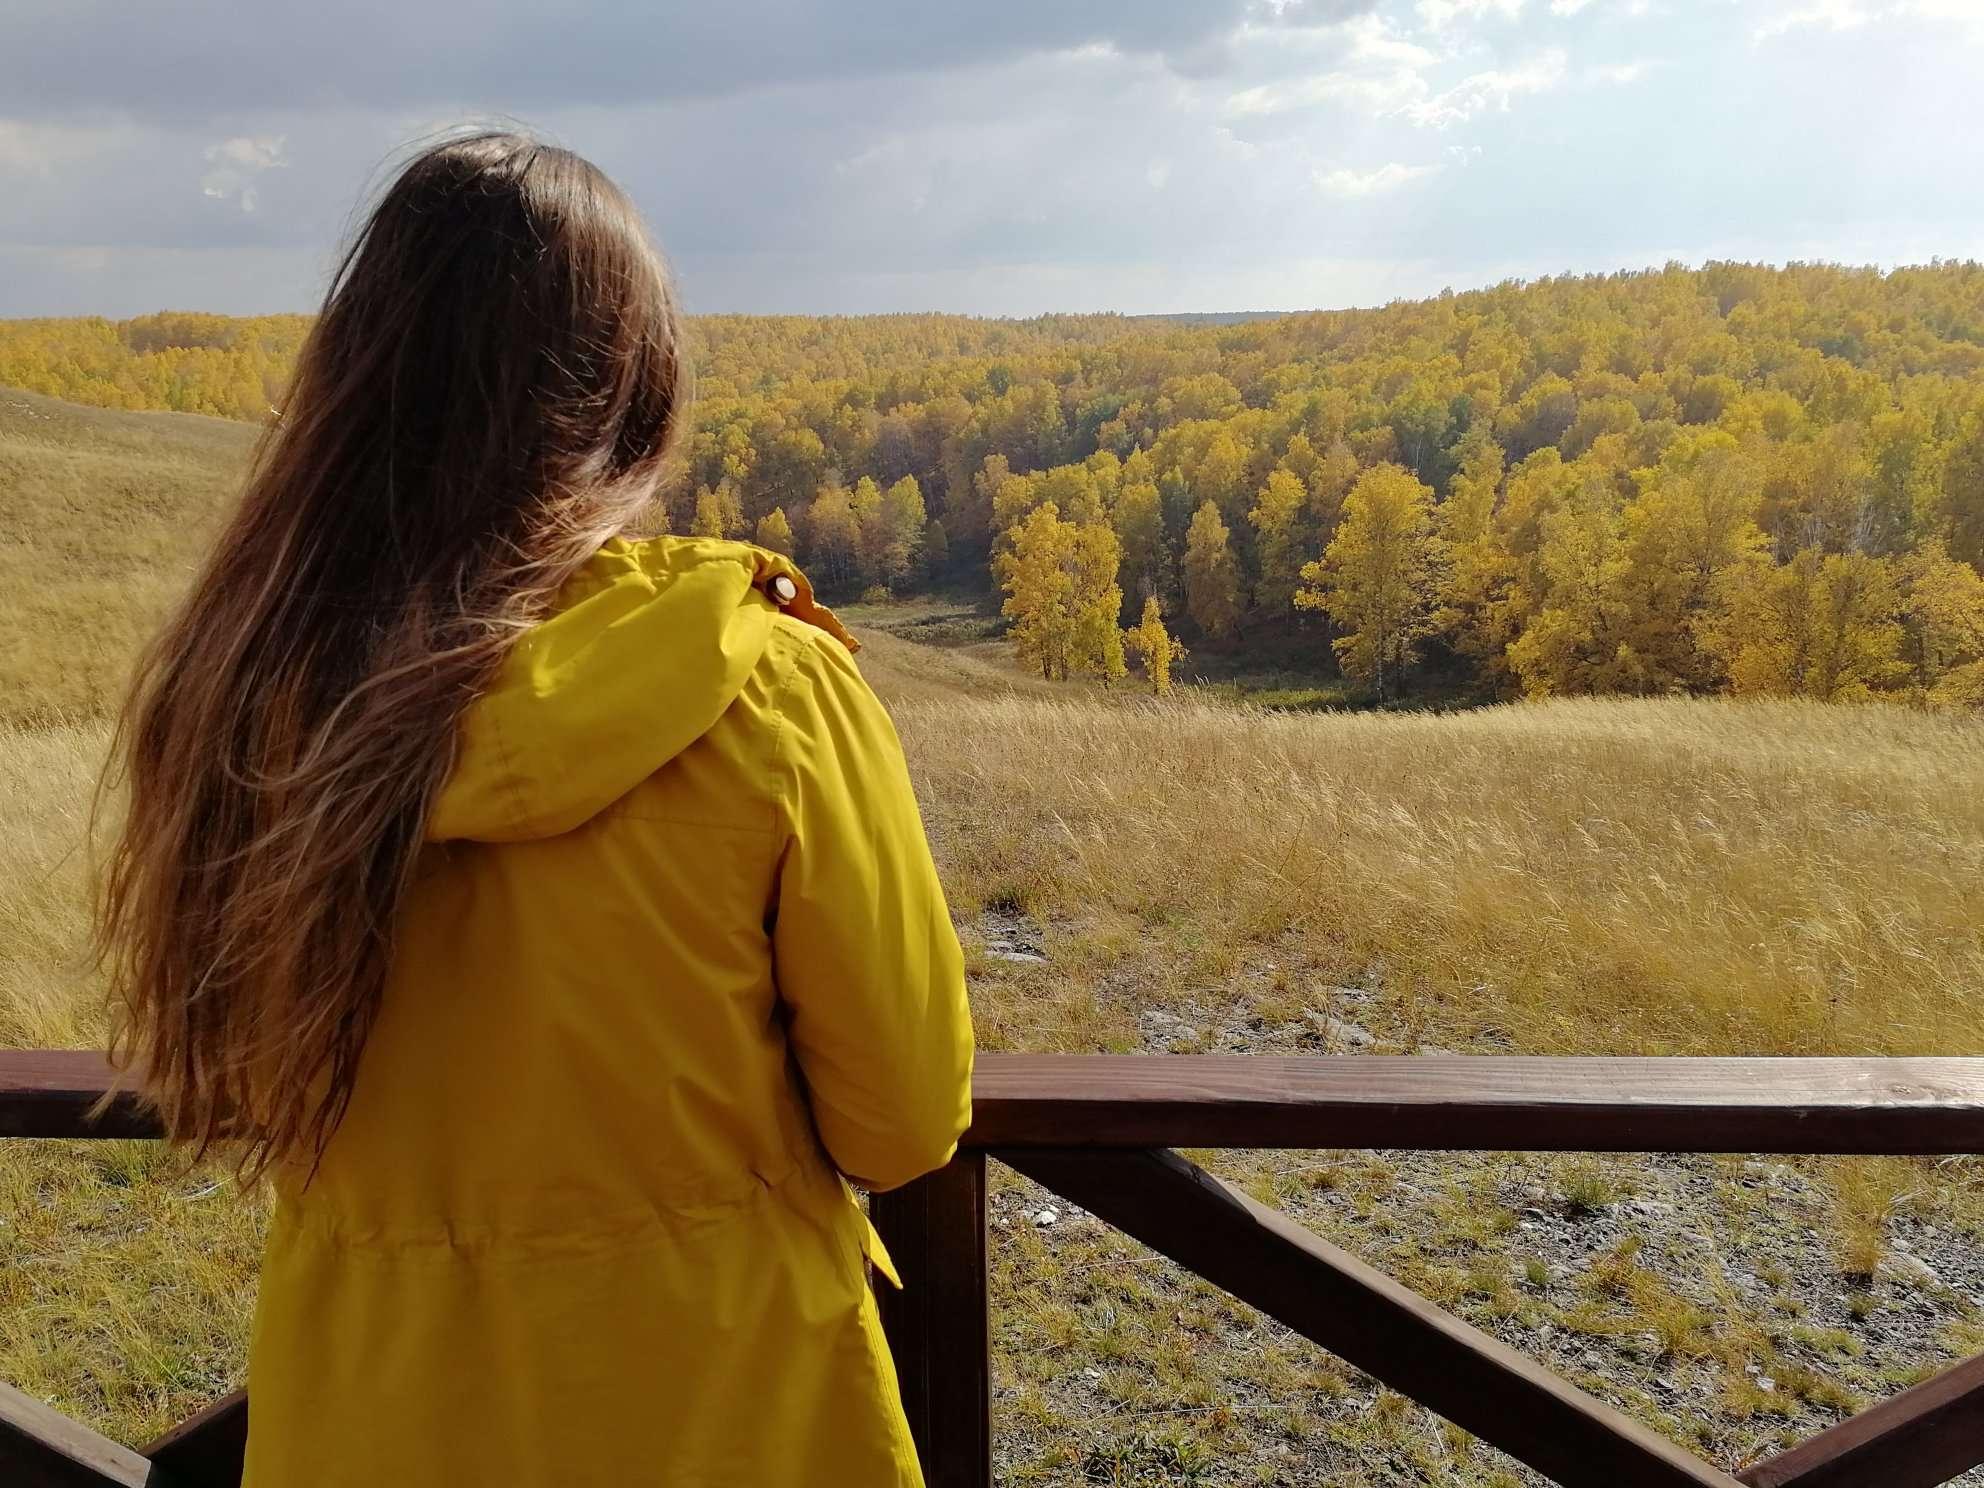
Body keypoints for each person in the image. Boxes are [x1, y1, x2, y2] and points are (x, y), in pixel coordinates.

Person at [93, 131, 975, 1487]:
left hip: (369, 1418)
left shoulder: (249, 699)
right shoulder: (764, 688)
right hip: (730, 1409)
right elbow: (904, 1121)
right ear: (631, 389)